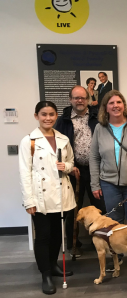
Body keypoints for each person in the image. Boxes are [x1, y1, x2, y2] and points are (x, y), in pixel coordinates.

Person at [19, 101, 75, 295]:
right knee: (43, 236)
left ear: (56, 116)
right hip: (41, 198)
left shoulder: (63, 139)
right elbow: (25, 173)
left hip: (63, 195)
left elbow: (71, 163)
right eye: (44, 114)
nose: (48, 118)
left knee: (58, 235)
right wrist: (29, 200)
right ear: (36, 116)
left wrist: (66, 167)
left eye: (51, 114)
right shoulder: (29, 141)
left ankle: (53, 265)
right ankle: (45, 274)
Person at [89, 90, 127, 270]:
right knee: (112, 222)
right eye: (111, 103)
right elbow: (94, 157)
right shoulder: (100, 128)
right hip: (108, 183)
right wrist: (95, 183)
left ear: (124, 105)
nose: (115, 105)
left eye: (119, 102)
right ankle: (117, 257)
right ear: (105, 108)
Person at [55, 85, 105, 258]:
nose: (80, 100)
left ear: (88, 99)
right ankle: (73, 244)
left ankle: (101, 240)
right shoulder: (63, 120)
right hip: (73, 171)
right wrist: (68, 166)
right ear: (70, 100)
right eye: (76, 98)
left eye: (83, 97)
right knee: (73, 209)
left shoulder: (97, 116)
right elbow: (58, 146)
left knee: (99, 206)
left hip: (96, 170)